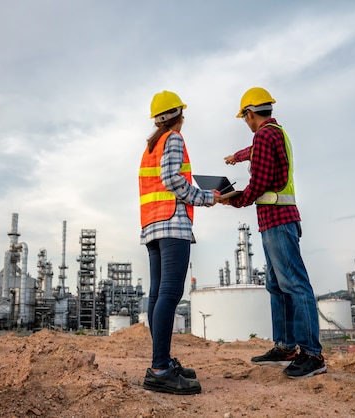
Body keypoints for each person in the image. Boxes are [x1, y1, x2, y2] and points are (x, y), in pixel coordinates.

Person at [222, 87, 327, 379]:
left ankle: (312, 354)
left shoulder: (264, 136)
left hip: (278, 222)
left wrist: (233, 199)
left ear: (250, 113)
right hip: (274, 222)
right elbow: (256, 153)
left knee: (294, 284)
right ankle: (285, 346)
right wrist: (237, 156)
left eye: (244, 117)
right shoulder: (274, 134)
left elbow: (259, 182)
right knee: (276, 285)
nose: (245, 121)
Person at [139, 90, 224, 395]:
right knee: (170, 294)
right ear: (179, 116)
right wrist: (205, 198)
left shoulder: (150, 146)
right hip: (173, 225)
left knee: (157, 295)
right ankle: (159, 369)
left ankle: (161, 362)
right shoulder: (173, 139)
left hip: (152, 225)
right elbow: (172, 179)